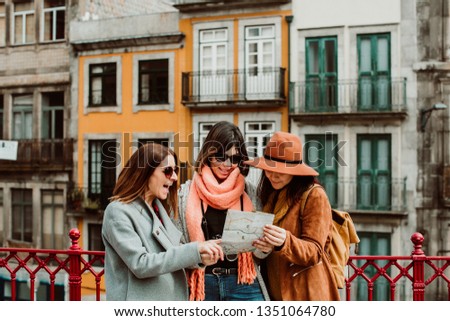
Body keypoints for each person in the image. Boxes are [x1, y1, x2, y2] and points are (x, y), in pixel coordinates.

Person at [102, 143, 224, 301]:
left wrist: (198, 257)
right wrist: (195, 249)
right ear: (144, 172)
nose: (174, 177)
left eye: (175, 171)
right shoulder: (118, 211)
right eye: (167, 171)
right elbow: (141, 264)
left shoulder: (158, 210)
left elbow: (171, 252)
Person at [175, 121, 270, 301]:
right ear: (208, 155)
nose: (227, 164)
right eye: (220, 156)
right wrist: (197, 254)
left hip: (244, 282)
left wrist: (264, 249)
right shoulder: (184, 195)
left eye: (234, 158)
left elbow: (259, 252)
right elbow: (175, 244)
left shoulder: (250, 193)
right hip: (202, 284)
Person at [247, 131, 340, 301]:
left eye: (280, 172)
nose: (272, 176)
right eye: (268, 170)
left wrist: (285, 241)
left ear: (295, 171)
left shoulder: (314, 195)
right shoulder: (271, 195)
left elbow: (315, 252)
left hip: (305, 293)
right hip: (275, 293)